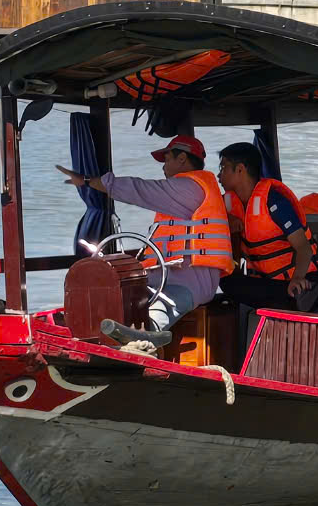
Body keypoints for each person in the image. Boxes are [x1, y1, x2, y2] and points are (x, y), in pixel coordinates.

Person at [56, 134, 232, 349]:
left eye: (167, 160)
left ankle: (146, 335)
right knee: (121, 292)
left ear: (183, 159)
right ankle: (90, 329)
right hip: (166, 274)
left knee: (166, 304)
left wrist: (90, 182)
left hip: (190, 281)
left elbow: (139, 190)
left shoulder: (190, 188)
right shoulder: (183, 190)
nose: (163, 167)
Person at [215, 141, 318, 311]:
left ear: (240, 169)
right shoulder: (229, 203)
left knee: (233, 287)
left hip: (303, 281)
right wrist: (226, 217)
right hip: (269, 282)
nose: (219, 175)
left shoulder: (274, 201)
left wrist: (297, 278)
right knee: (226, 281)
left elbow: (304, 248)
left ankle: (291, 303)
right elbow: (204, 210)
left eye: (223, 168)